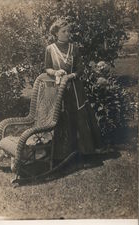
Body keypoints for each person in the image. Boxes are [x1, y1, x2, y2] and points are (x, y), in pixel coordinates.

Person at [44, 17, 103, 161]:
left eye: (68, 31)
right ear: (56, 33)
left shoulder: (74, 48)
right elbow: (47, 68)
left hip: (75, 89)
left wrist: (71, 75)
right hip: (58, 89)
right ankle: (61, 154)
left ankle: (84, 151)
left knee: (78, 116)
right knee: (61, 116)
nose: (67, 33)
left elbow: (80, 69)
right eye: (63, 31)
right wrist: (56, 72)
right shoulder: (50, 49)